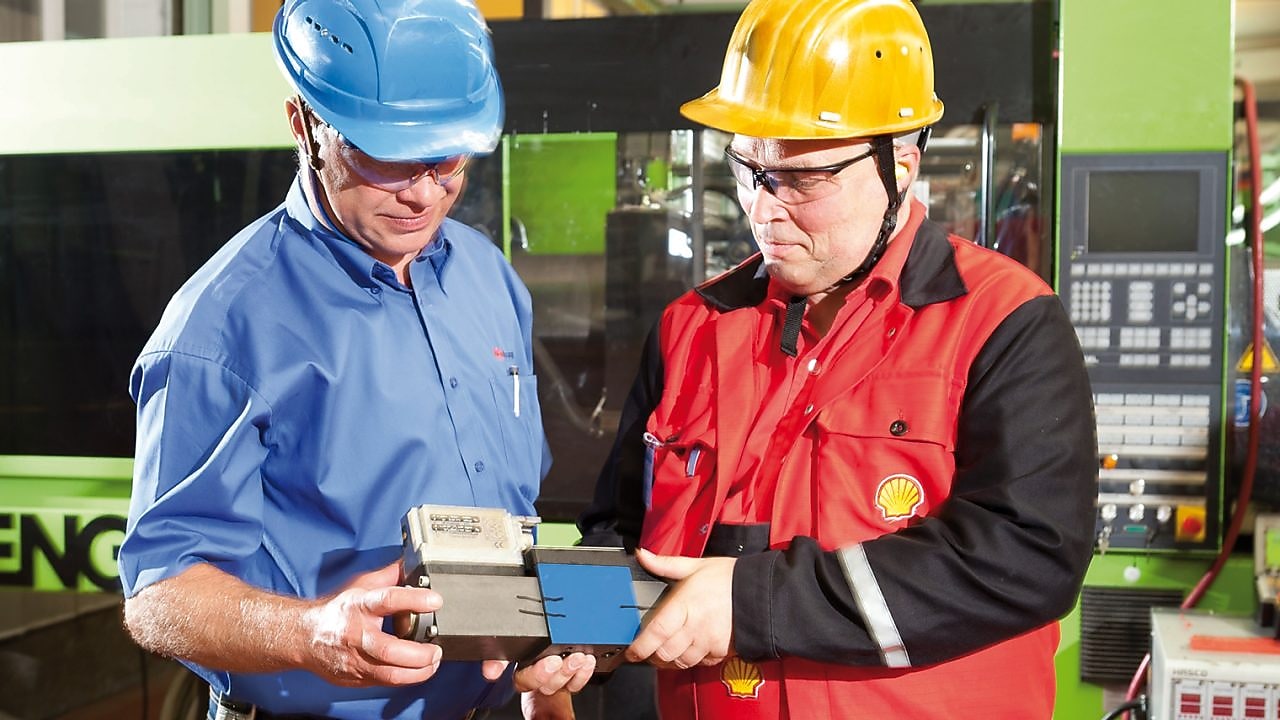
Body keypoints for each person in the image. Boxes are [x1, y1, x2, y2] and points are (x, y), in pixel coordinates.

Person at [578, 0, 1097, 717]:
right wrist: (569, 636)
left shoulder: (1002, 322)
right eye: (748, 170)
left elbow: (1028, 557)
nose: (764, 210)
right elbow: (621, 531)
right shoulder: (689, 329)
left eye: (803, 180)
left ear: (900, 166)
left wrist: (749, 603)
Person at [118, 1, 593, 718]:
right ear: (304, 125)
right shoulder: (220, 327)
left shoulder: (487, 276)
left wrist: (545, 690)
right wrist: (309, 633)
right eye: (387, 157)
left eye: (448, 157)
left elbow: (513, 513)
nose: (424, 192)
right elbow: (158, 596)